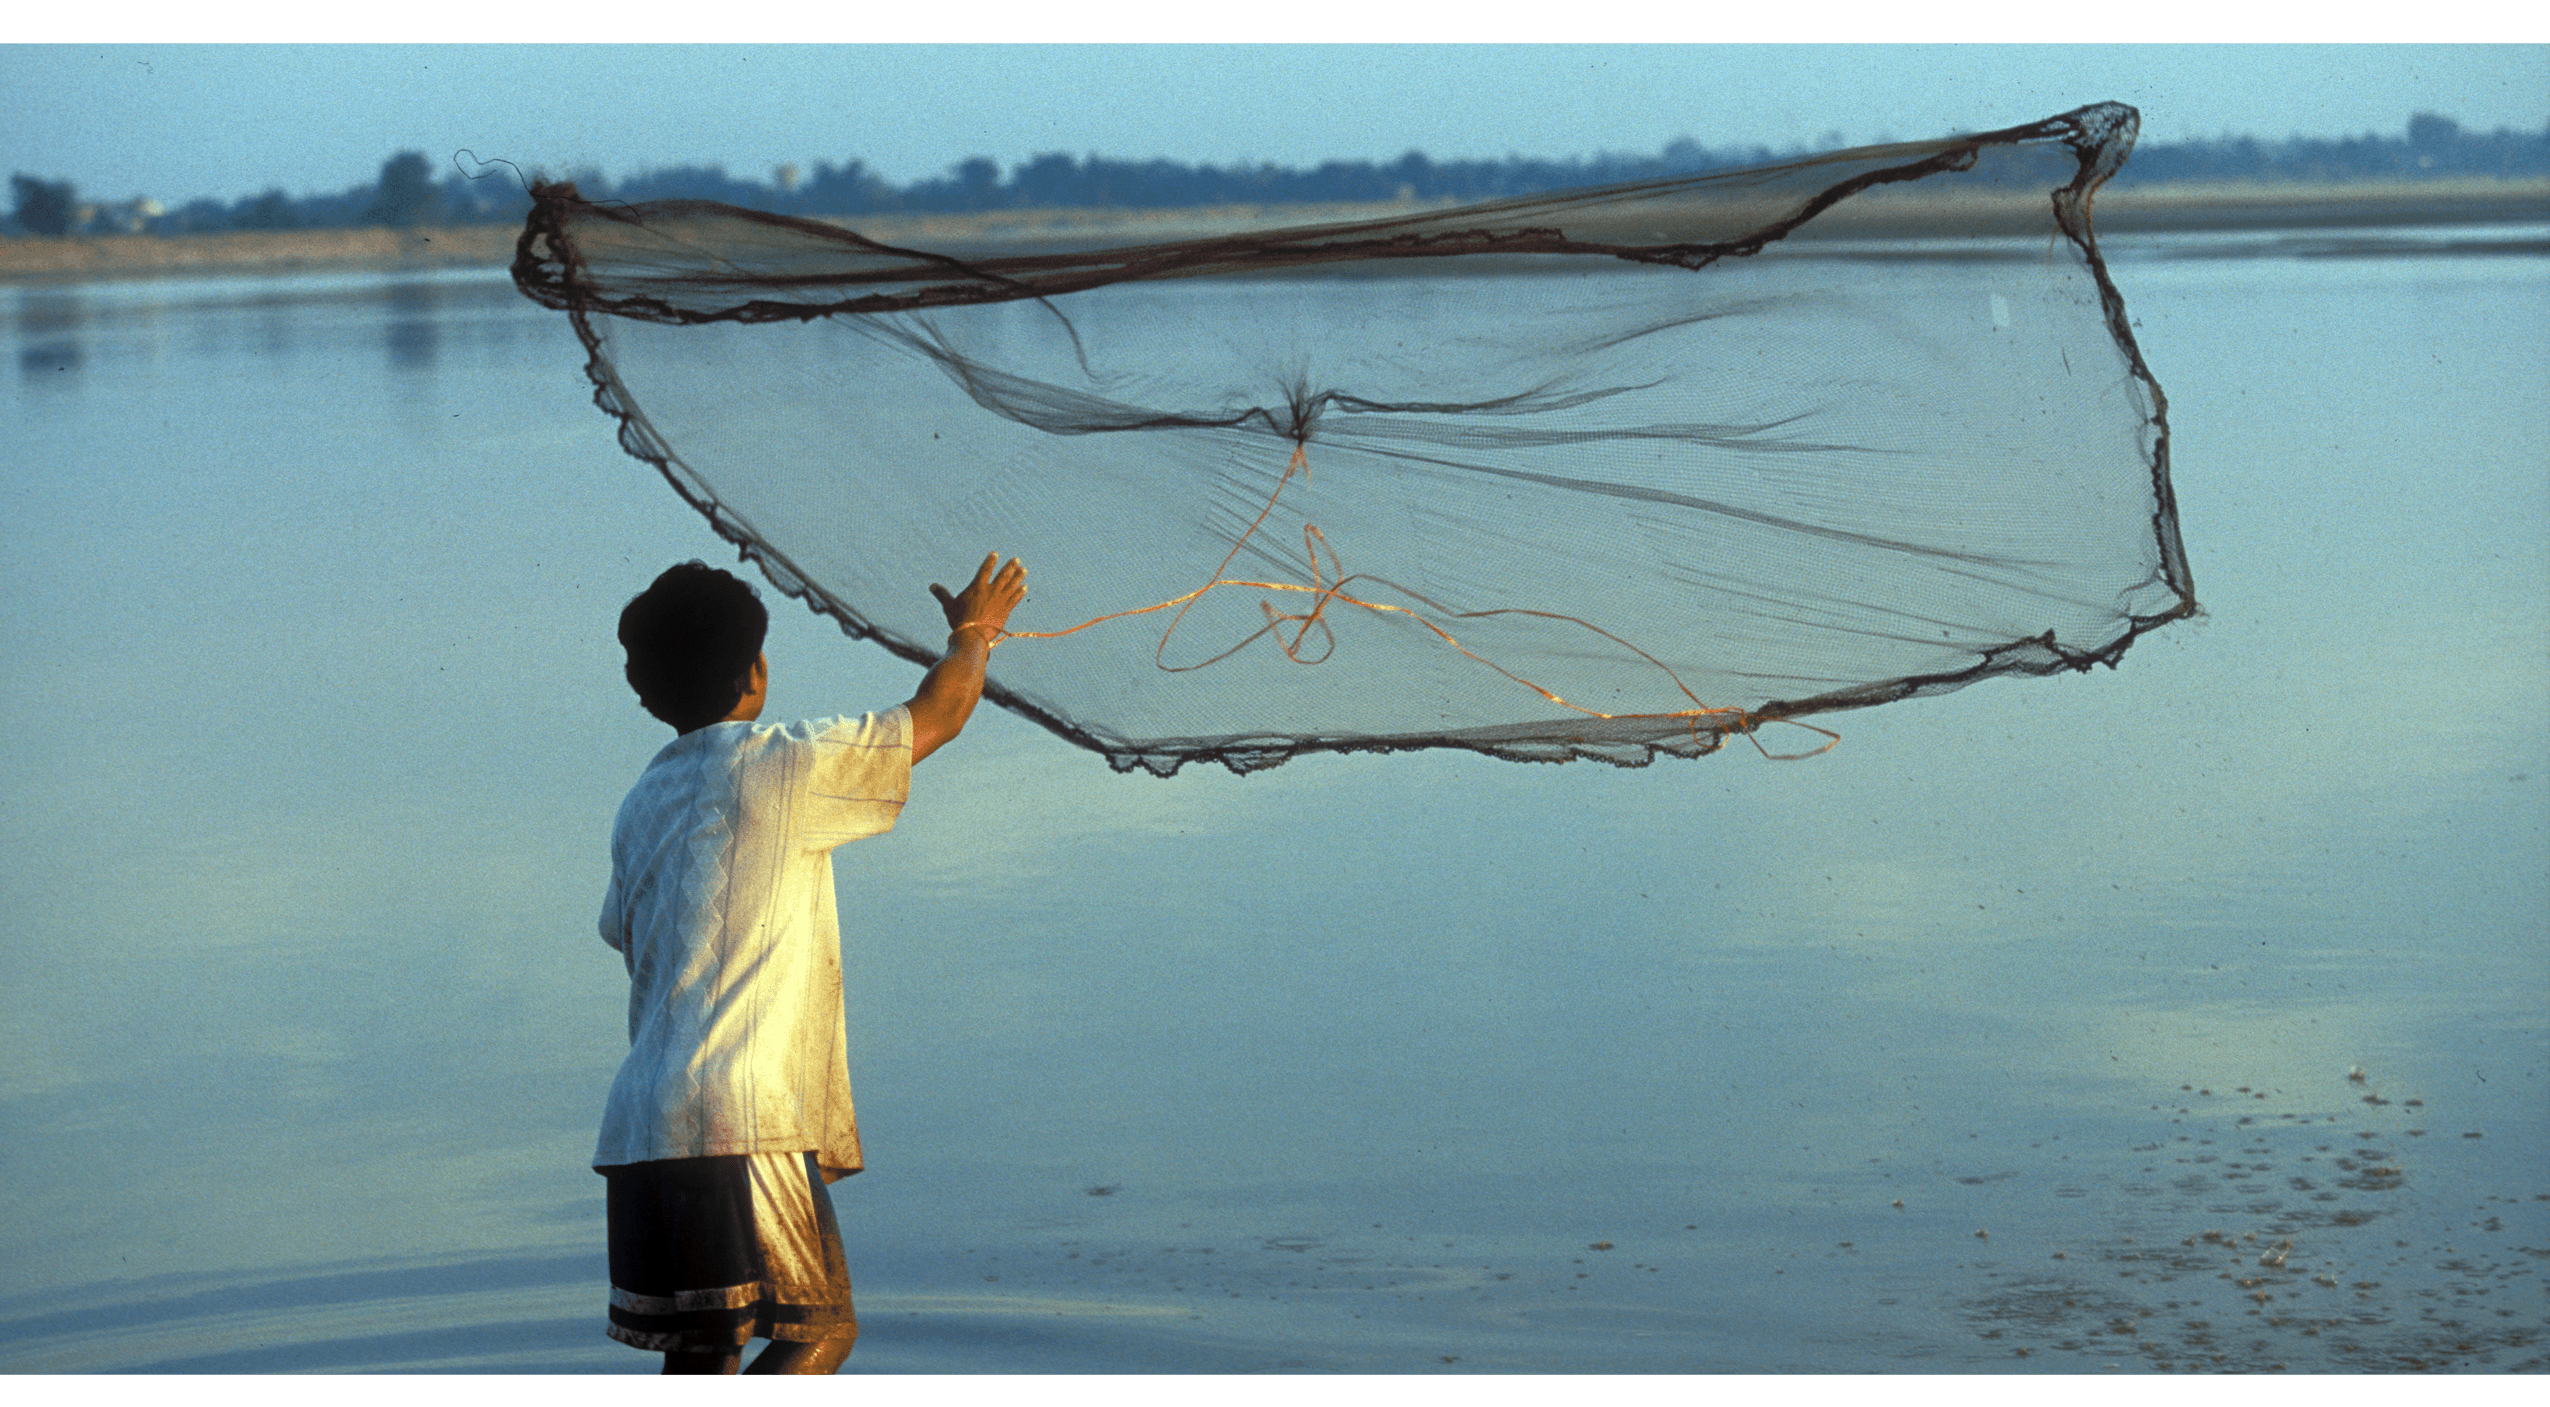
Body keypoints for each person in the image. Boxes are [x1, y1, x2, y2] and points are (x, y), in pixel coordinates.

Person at [594, 552, 1027, 1374]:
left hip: (640, 1128)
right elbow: (938, 714)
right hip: (738, 1114)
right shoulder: (784, 763)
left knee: (703, 1346)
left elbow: (624, 931)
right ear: (755, 672)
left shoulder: (640, 800)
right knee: (818, 1331)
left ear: (645, 689)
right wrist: (976, 633)